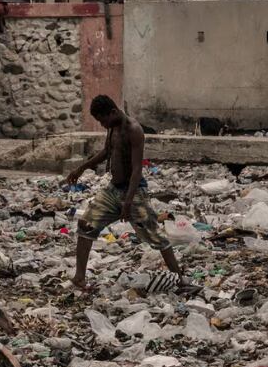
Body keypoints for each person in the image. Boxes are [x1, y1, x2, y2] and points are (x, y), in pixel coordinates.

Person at [63, 95, 183, 291]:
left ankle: (179, 279)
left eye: (103, 120)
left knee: (154, 235)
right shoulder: (112, 128)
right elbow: (106, 152)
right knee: (86, 224)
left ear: (112, 112)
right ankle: (79, 278)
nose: (102, 125)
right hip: (113, 189)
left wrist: (127, 203)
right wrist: (81, 168)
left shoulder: (134, 130)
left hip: (134, 191)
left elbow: (137, 169)